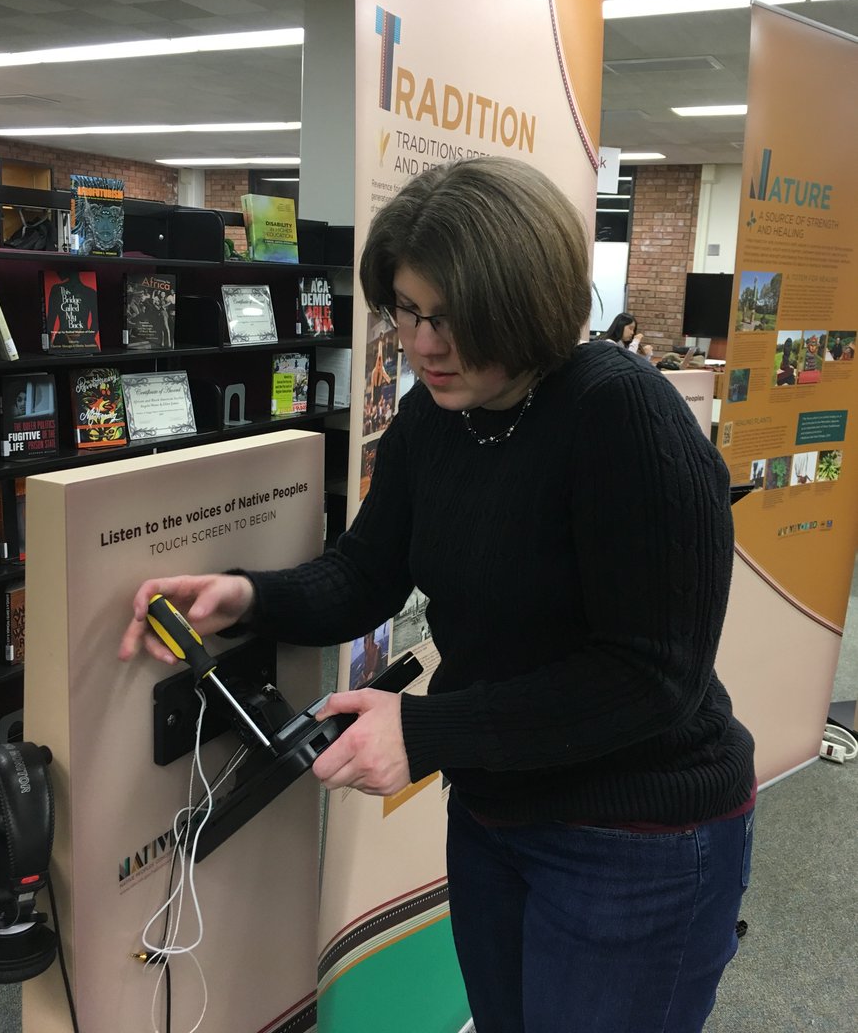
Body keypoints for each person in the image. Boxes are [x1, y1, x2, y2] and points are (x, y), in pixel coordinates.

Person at [120, 157, 755, 1033]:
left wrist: (426, 731)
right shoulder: (434, 417)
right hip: (498, 813)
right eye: (410, 311)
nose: (422, 344)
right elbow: (364, 574)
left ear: (524, 303)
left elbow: (653, 676)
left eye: (452, 318)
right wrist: (244, 596)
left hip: (637, 838)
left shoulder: (621, 415)